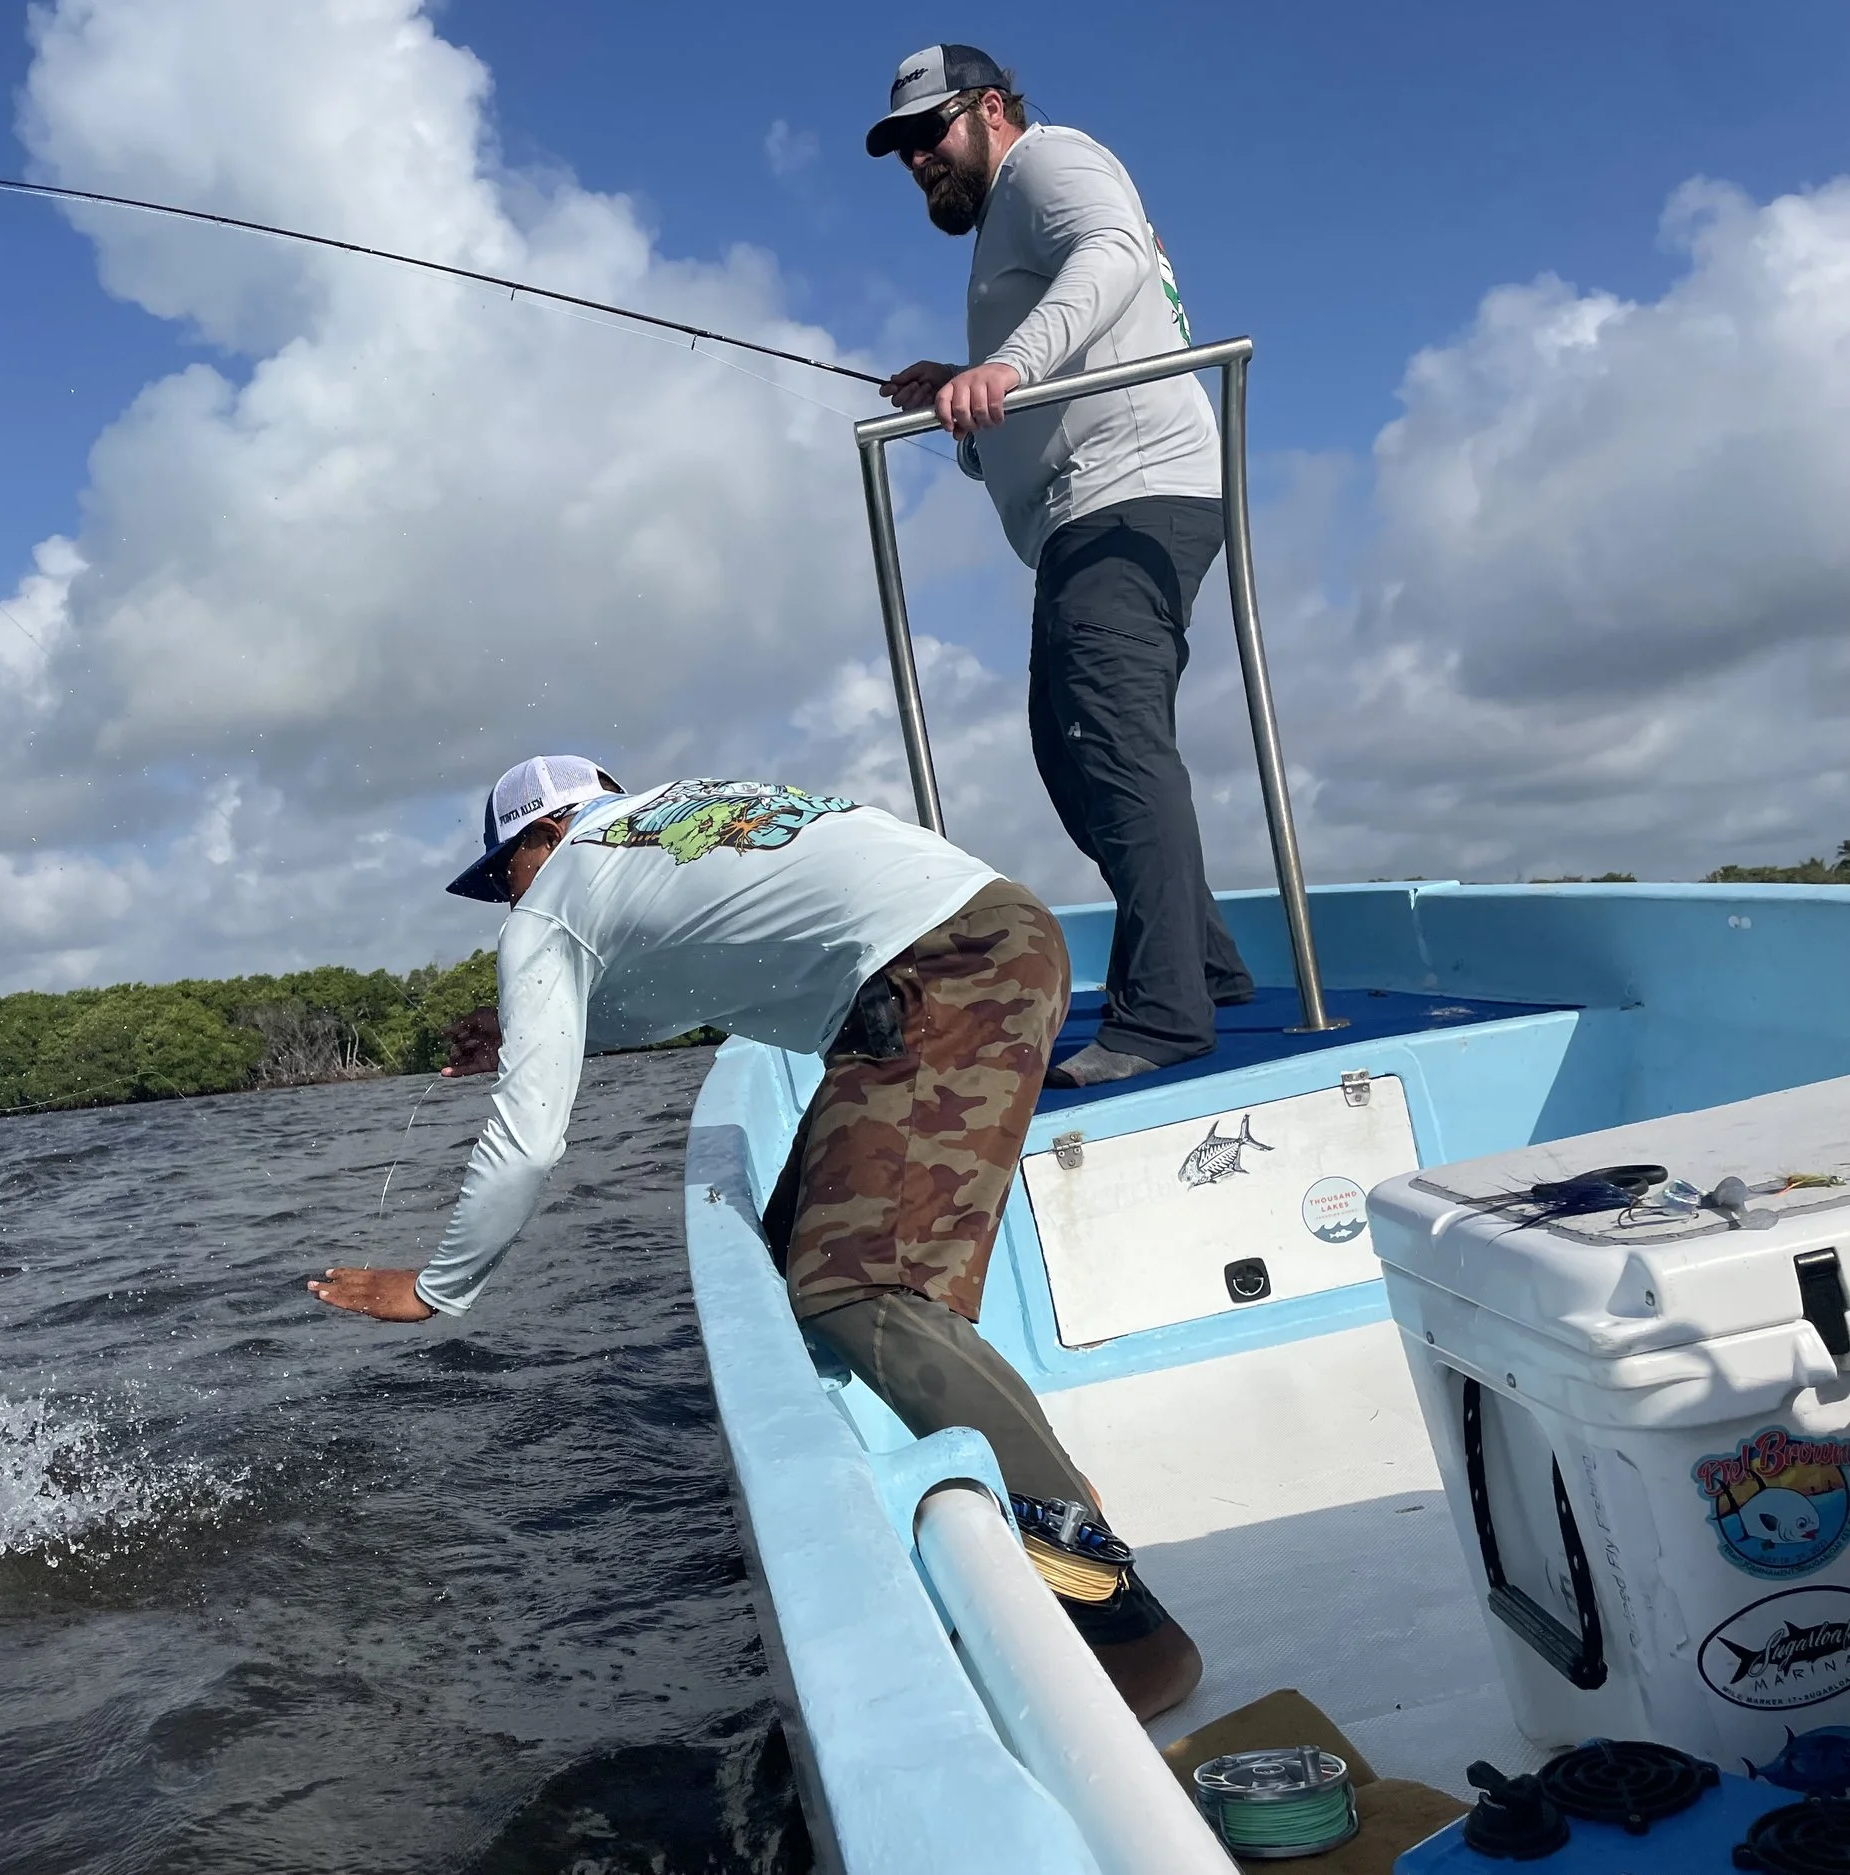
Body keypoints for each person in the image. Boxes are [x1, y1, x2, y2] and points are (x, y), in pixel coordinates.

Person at [309, 756, 1203, 1719]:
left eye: (501, 875)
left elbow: (528, 1142)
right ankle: (1041, 1476)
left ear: (544, 836)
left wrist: (439, 1286)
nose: (504, 901)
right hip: (988, 940)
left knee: (854, 1290)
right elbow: (680, 995)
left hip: (934, 979)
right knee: (800, 1259)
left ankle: (1119, 1619)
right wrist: (528, 1025)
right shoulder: (683, 814)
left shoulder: (548, 906)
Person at [867, 44, 1254, 1088]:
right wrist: (963, 382)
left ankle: (1163, 1016)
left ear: (991, 109)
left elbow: (1113, 255)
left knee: (1110, 741)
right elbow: (1076, 337)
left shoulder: (1052, 162)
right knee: (1065, 749)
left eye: (929, 133)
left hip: (1132, 492)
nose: (915, 160)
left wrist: (1003, 366)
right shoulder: (1005, 217)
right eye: (900, 146)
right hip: (1091, 508)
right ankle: (1204, 964)